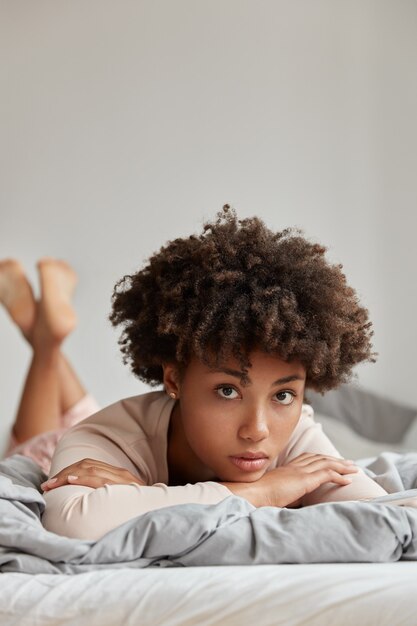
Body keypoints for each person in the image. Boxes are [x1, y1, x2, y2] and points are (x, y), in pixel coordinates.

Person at [30, 207, 391, 540]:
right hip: (43, 449)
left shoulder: (296, 435)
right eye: (228, 391)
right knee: (36, 435)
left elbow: (387, 518)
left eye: (283, 395)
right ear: (174, 380)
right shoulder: (105, 438)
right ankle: (45, 343)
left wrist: (141, 497)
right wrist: (262, 491)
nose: (258, 430)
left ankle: (45, 338)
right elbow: (72, 523)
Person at [0, 258, 100, 475]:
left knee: (86, 424)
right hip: (74, 469)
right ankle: (43, 335)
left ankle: (37, 328)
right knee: (29, 465)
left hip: (100, 446)